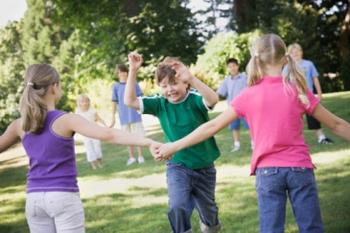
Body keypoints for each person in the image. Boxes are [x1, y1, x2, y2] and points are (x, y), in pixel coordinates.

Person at [154, 34, 350, 233]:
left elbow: (211, 127)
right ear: (285, 59)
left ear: (256, 60)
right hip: (300, 168)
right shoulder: (297, 90)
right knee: (312, 227)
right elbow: (335, 124)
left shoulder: (249, 94)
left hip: (268, 173)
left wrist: (174, 145)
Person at [0, 64, 156, 233]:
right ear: (54, 87)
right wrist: (148, 142)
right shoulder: (67, 120)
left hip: (34, 199)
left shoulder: (19, 125)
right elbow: (109, 134)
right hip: (63, 196)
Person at [124, 52, 221, 233]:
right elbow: (129, 101)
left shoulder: (194, 99)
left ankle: (211, 226)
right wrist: (132, 70)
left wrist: (191, 77)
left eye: (174, 83)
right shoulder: (160, 103)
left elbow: (213, 99)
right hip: (178, 165)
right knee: (177, 206)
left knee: (209, 213)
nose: (170, 89)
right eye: (164, 85)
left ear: (184, 82)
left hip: (204, 166)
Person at [287, 43, 333, 144]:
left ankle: (321, 137)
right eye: (292, 52)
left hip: (309, 96)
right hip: (294, 97)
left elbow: (315, 79)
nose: (295, 54)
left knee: (314, 117)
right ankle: (295, 140)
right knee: (294, 119)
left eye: (297, 51)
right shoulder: (287, 67)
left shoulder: (308, 64)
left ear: (301, 52)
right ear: (289, 55)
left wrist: (320, 94)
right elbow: (284, 83)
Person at [110, 64, 146, 165]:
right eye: (120, 72)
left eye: (124, 71)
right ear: (117, 74)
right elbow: (114, 102)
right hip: (123, 117)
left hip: (135, 114)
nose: (122, 74)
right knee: (127, 138)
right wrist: (113, 116)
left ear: (127, 72)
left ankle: (140, 156)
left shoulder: (134, 83)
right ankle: (131, 157)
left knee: (138, 136)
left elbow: (140, 98)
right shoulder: (116, 87)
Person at [217, 58, 252, 152]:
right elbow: (221, 92)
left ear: (237, 66)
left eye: (234, 66)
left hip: (245, 107)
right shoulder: (227, 80)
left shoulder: (244, 77)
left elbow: (251, 88)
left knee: (249, 126)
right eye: (230, 66)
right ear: (228, 68)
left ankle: (254, 144)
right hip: (232, 108)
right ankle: (237, 145)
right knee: (234, 127)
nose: (232, 68)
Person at [76, 94, 106, 170]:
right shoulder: (78, 112)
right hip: (86, 133)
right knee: (89, 149)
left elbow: (98, 119)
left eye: (87, 101)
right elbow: (77, 123)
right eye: (83, 102)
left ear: (89, 102)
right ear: (79, 103)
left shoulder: (92, 111)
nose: (85, 103)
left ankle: (100, 162)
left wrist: (105, 125)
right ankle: (94, 165)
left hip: (95, 132)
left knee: (97, 148)